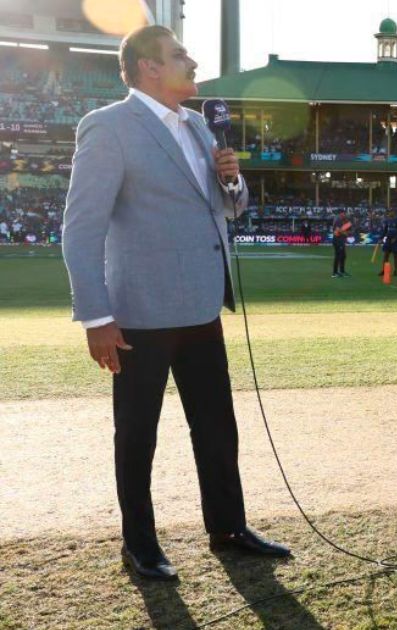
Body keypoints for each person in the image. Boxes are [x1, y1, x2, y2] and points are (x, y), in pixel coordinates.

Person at [60, 25, 290, 582]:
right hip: (138, 314)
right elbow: (79, 228)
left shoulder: (199, 127)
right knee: (137, 435)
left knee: (217, 427)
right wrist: (96, 317)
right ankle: (139, 543)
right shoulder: (108, 127)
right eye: (179, 54)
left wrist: (232, 184)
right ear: (148, 68)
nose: (191, 61)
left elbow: (228, 208)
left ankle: (229, 528)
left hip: (202, 307)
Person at [378, 210, 397, 277]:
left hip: (395, 241)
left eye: (392, 211)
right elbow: (385, 231)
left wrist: (396, 238)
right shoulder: (387, 221)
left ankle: (395, 271)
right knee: (385, 256)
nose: (390, 213)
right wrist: (381, 238)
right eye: (389, 212)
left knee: (395, 256)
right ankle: (384, 270)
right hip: (388, 240)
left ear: (394, 213)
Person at [331, 212, 351, 277]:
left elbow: (348, 231)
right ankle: (335, 273)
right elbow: (338, 230)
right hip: (337, 240)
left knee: (343, 256)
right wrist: (345, 233)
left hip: (341, 241)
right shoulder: (338, 220)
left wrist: (346, 233)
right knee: (338, 256)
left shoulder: (346, 222)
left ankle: (342, 271)